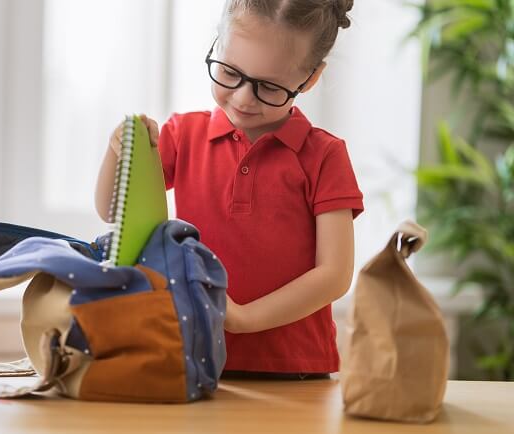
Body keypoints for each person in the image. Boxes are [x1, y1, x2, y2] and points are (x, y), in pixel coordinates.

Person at [95, 0, 363, 379]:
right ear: (218, 44)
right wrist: (116, 151)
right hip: (194, 356)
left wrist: (243, 319)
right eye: (230, 72)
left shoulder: (325, 156)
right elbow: (112, 211)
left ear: (310, 78)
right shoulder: (182, 136)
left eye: (269, 87)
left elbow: (335, 274)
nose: (242, 98)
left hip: (294, 370)